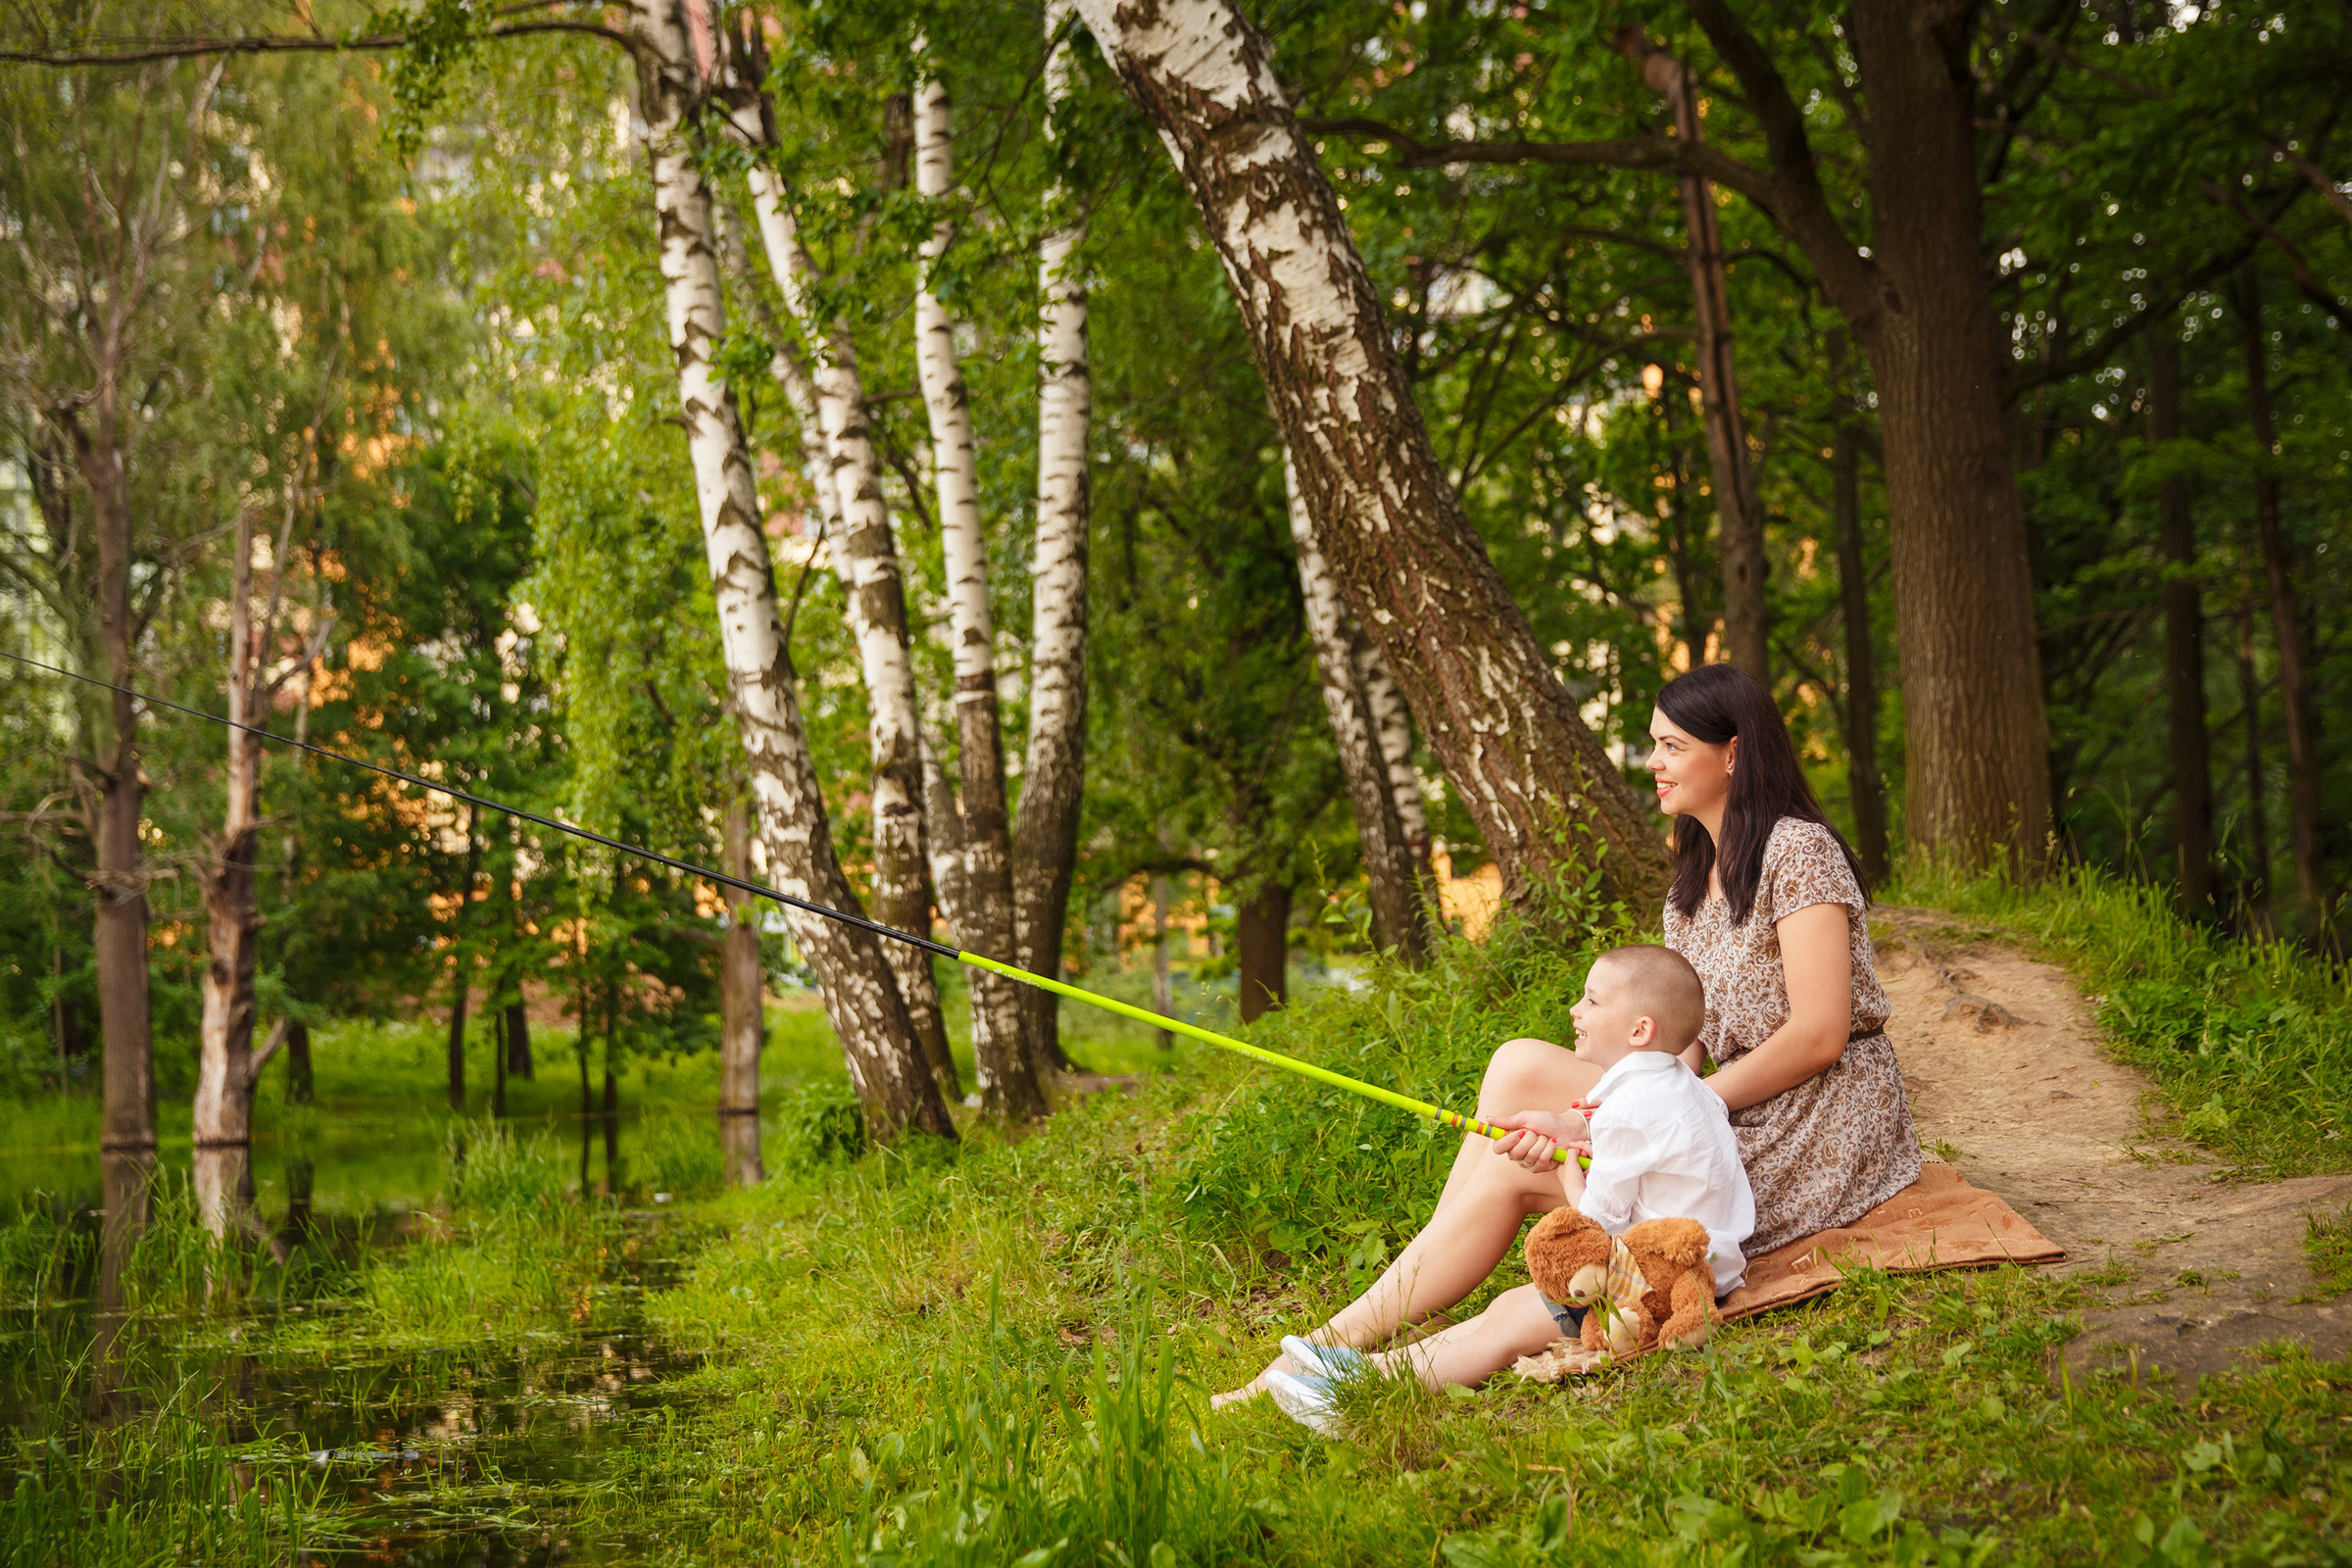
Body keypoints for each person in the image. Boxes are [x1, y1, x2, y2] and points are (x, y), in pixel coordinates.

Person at [1218, 662, 1918, 1406]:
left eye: (1673, 746)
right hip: (1718, 1101)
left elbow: (1819, 1034)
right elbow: (1676, 1050)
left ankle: (1331, 1350)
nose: (1653, 763)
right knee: (1518, 1067)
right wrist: (1590, 1118)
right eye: (1655, 744)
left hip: (1814, 1118)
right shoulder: (1692, 882)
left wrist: (1649, 1117)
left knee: (1516, 1170)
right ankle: (1392, 1300)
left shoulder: (1798, 850)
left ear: (1734, 753)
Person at [1256, 944, 1755, 1435]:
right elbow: (1624, 1130)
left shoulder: (1630, 1111)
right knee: (1507, 1311)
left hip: (1659, 1281)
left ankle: (1356, 1392)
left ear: (1639, 1030)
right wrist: (1571, 1129)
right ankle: (1349, 1370)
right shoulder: (1669, 1083)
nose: (1575, 1009)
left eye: (1592, 1000)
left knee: (1506, 1327)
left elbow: (1597, 1224)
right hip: (1693, 1258)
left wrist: (1567, 1173)